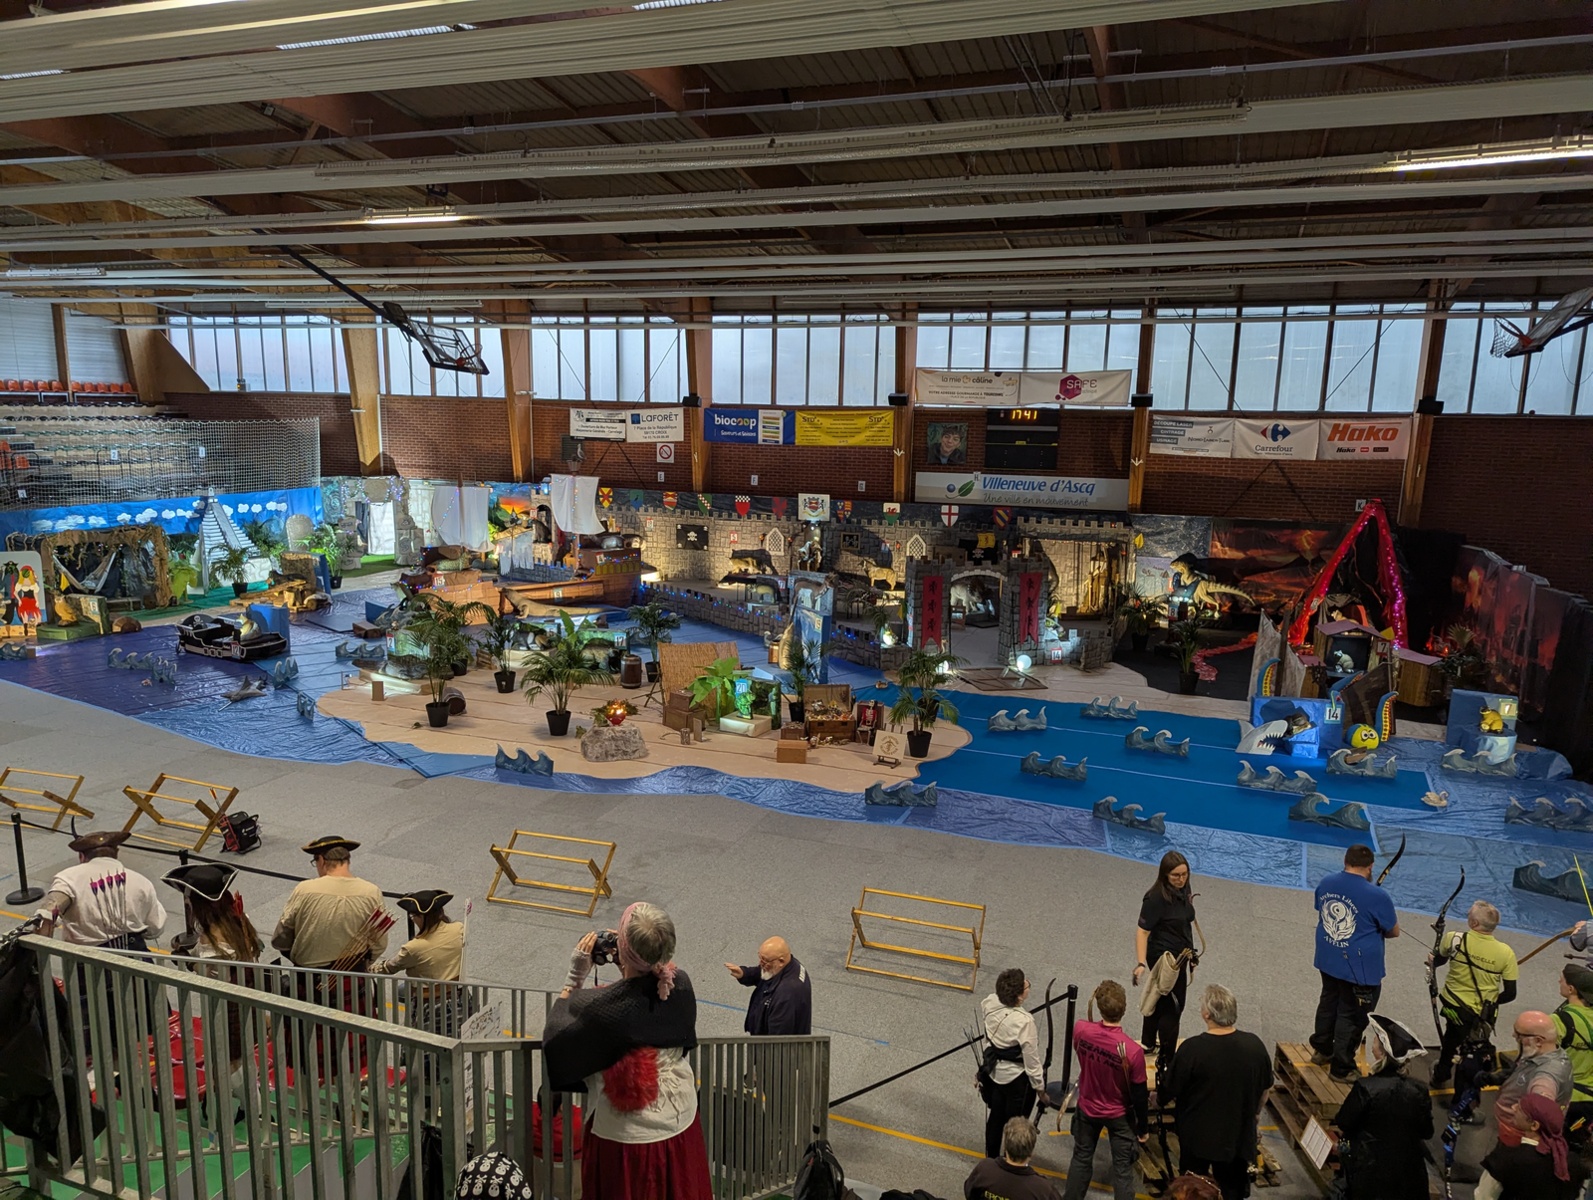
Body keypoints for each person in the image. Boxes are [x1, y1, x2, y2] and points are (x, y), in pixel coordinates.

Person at [542, 902, 711, 1200]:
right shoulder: (680, 984)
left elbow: (556, 1039)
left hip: (626, 1143)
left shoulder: (601, 1010)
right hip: (681, 1124)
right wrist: (630, 967)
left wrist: (575, 977)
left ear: (622, 946)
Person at [163, 862, 262, 1128]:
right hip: (245, 995)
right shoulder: (237, 918)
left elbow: (209, 976)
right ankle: (253, 1107)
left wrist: (186, 960)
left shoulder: (211, 940)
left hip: (225, 1006)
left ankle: (250, 1110)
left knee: (228, 1061)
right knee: (240, 1057)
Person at [1160, 984, 1272, 1200]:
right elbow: (1265, 1090)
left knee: (1193, 1191)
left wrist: (1157, 1100)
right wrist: (1255, 1114)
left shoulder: (1192, 1049)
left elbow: (1170, 1089)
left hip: (1197, 1139)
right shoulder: (1255, 1046)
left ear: (1207, 1014)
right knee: (1233, 1189)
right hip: (1237, 1138)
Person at [1310, 844, 1400, 1081]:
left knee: (1329, 1003)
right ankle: (1341, 1069)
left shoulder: (1327, 882)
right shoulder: (1378, 896)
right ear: (1370, 867)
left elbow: (1322, 909)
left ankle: (1322, 1050)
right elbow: (1393, 931)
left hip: (1329, 958)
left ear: (1345, 860)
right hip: (1359, 969)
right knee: (1352, 1016)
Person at [1061, 980, 1147, 1200]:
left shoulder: (1081, 1030)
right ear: (1124, 1009)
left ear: (1099, 1007)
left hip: (1087, 1107)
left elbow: (1080, 1053)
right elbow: (1139, 1095)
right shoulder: (1133, 1051)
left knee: (1081, 1158)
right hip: (1119, 1114)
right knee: (1122, 1171)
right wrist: (1143, 1128)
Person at [1333, 1013, 1433, 1200]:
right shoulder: (1419, 1090)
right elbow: (1427, 1132)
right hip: (1408, 1174)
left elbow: (1344, 1122)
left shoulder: (1366, 1087)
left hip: (1368, 1172)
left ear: (1381, 1053)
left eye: (1375, 1042)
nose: (1372, 1046)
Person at [1430, 900, 1518, 1089]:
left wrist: (1432, 959)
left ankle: (1441, 1074)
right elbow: (1510, 993)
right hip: (1484, 1013)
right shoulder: (1506, 953)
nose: (1467, 917)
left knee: (1451, 1039)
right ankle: (1469, 1080)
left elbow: (1438, 961)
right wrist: (1490, 1002)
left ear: (1474, 923)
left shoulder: (1454, 939)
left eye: (1469, 915)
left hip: (1455, 1006)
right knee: (1475, 1045)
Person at [35, 829, 166, 951]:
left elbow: (47, 915)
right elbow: (155, 929)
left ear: (81, 856)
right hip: (135, 958)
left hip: (87, 960)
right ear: (116, 852)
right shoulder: (142, 881)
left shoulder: (69, 878)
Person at [271, 836, 388, 970]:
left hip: (309, 974)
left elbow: (282, 935)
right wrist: (362, 964)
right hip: (353, 972)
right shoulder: (371, 892)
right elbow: (380, 941)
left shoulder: (304, 889)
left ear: (321, 860)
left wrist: (295, 956)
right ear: (347, 860)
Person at [1132, 851, 1198, 1080]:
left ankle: (1148, 1042)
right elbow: (1142, 932)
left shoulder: (1184, 888)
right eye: (1175, 876)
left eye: (1185, 874)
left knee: (1160, 997)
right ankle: (1168, 1058)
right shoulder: (1154, 899)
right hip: (1164, 959)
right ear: (1164, 875)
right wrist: (1141, 963)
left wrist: (1192, 954)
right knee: (1174, 1005)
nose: (1181, 879)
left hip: (1182, 954)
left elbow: (1185, 924)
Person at [978, 968, 1044, 1158]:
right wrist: (1040, 1088)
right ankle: (1011, 1160)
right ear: (1019, 996)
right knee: (1016, 1126)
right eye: (1025, 985)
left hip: (994, 1073)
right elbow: (1031, 1061)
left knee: (996, 1117)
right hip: (1017, 1081)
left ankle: (991, 1158)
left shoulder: (990, 1002)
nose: (1027, 985)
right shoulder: (1025, 1022)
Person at [1483, 1011, 1572, 1148]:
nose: (1514, 1036)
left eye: (1519, 1035)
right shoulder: (1545, 1052)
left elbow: (1542, 1100)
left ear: (1538, 1040)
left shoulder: (1547, 1074)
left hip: (1517, 1134)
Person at [1476, 1093, 1589, 1200]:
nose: (1514, 1107)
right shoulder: (1575, 1164)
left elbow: (1484, 1196)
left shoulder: (1505, 1160)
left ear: (1534, 1125)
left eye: (1520, 1109)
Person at [724, 936, 812, 1036]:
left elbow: (778, 1037)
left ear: (781, 961)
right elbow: (765, 973)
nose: (761, 963)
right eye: (760, 958)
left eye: (765, 960)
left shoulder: (786, 995)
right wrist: (744, 973)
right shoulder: (788, 965)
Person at [373, 889, 464, 981]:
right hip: (456, 987)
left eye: (413, 916)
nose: (412, 919)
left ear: (421, 917)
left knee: (401, 988)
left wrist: (371, 969)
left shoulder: (413, 947)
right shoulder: (459, 928)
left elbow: (391, 966)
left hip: (426, 990)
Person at [963, 1117, 1061, 1200]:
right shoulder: (1043, 1190)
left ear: (1005, 1146)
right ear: (1031, 1152)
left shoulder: (985, 1169)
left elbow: (969, 1192)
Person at [1551, 963, 1593, 1145]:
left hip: (1564, 1097)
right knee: (1575, 1145)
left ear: (1571, 989)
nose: (1559, 981)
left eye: (1562, 980)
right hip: (1589, 1100)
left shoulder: (1559, 1020)